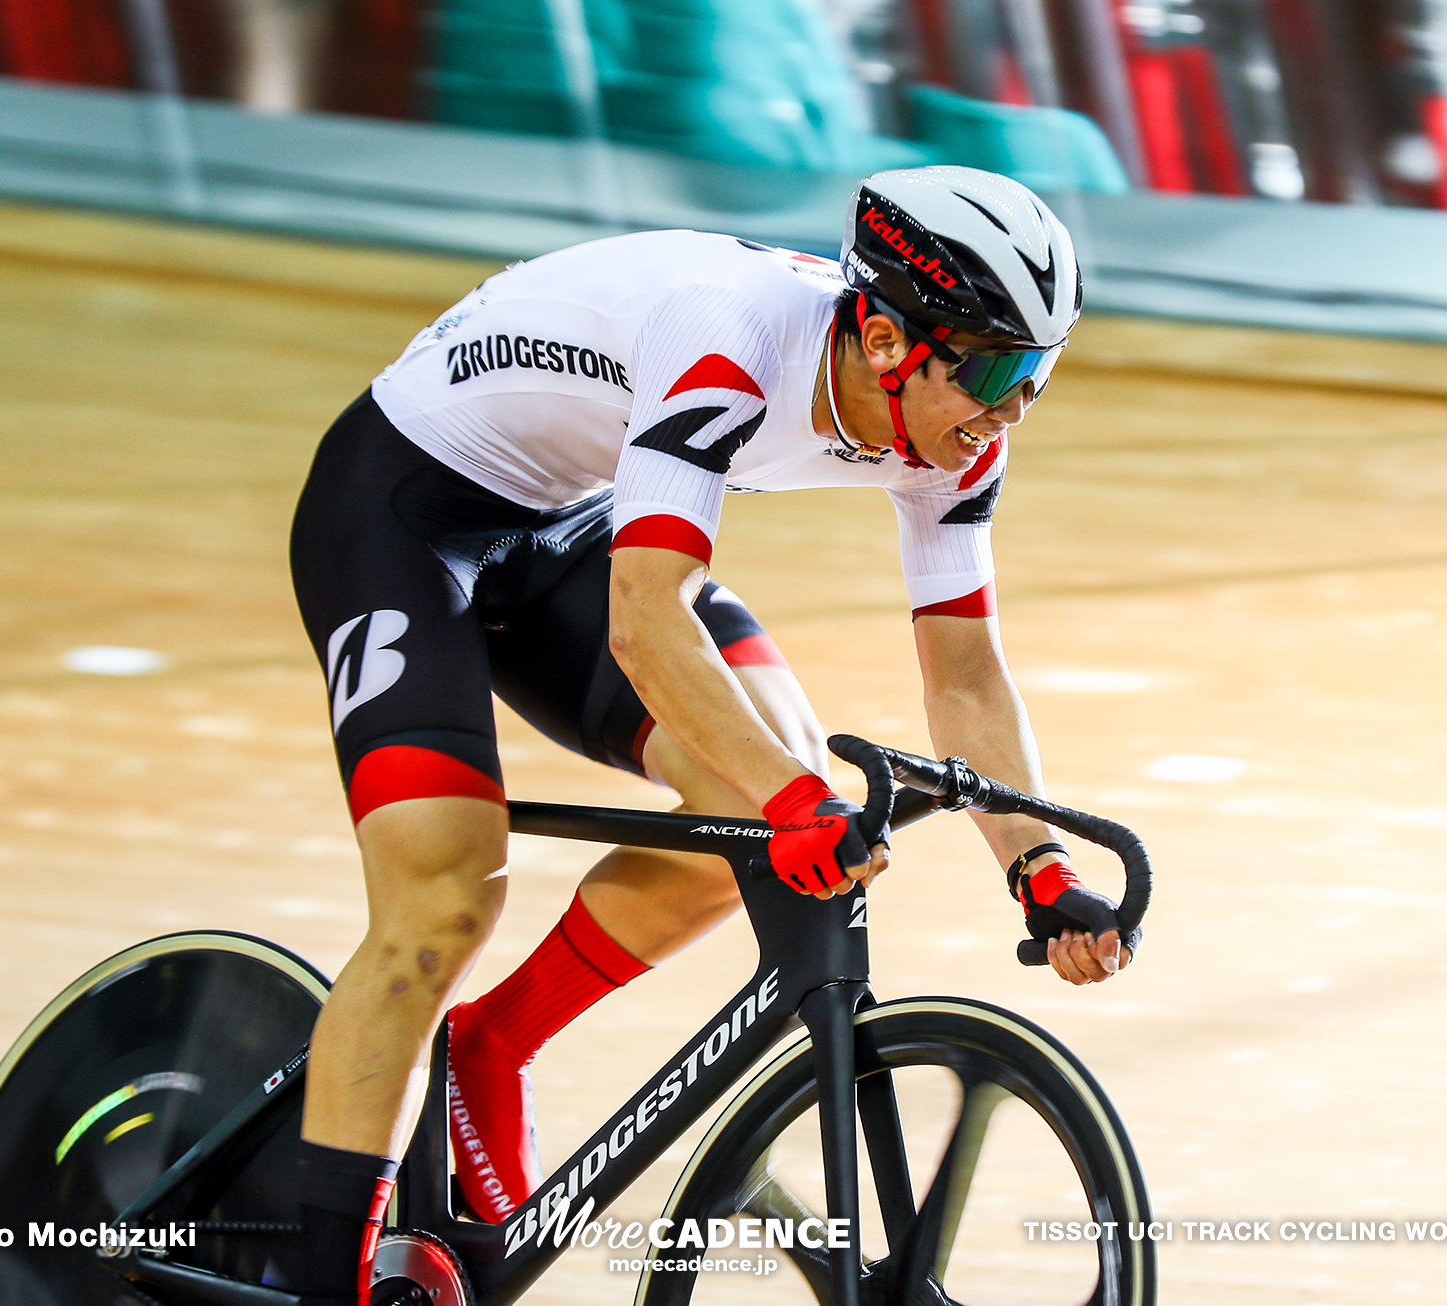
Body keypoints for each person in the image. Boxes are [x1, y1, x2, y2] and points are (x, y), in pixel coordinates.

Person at [286, 165, 1136, 1306]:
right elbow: (645, 619)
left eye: (1035, 375)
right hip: (406, 515)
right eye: (992, 369)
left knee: (759, 791)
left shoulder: (956, 432)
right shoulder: (732, 340)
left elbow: (967, 673)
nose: (1011, 408)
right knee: (442, 895)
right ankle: (314, 1276)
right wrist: (793, 798)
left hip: (569, 520)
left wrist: (1037, 865)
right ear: (885, 341)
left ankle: (489, 1044)